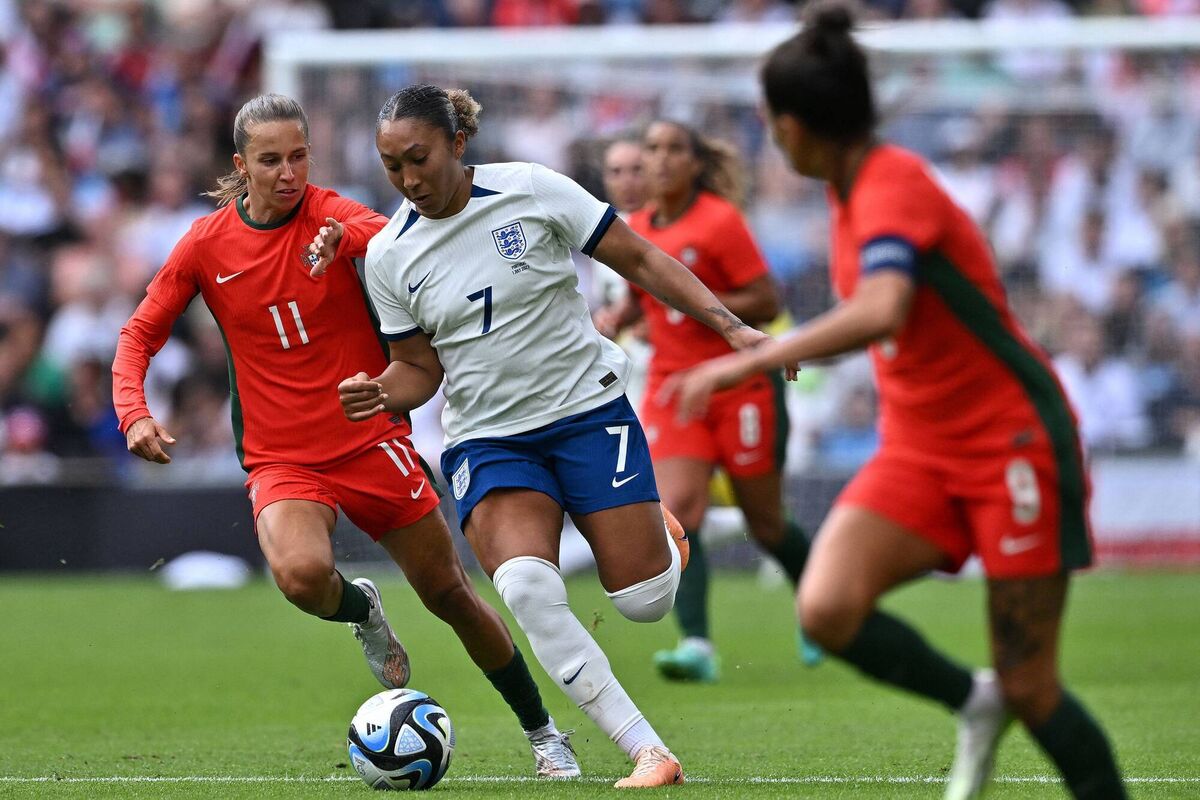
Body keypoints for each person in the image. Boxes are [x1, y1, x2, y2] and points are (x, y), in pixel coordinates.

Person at [664, 7, 1126, 799]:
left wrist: (752, 358)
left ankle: (1012, 707)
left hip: (1012, 441)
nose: (772, 137)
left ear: (801, 125)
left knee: (1035, 687)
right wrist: (764, 347)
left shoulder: (891, 183)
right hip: (921, 446)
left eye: (774, 121)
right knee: (828, 608)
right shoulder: (850, 193)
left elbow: (882, 309)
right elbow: (871, 328)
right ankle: (972, 701)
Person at [111, 94, 578, 779]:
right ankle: (362, 610)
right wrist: (134, 413)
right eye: (271, 160)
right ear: (242, 166)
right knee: (301, 578)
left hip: (369, 442)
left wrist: (350, 241)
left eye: (299, 156)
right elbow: (138, 334)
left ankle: (543, 733)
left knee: (450, 594)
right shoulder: (207, 244)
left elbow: (395, 230)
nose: (289, 173)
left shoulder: (332, 214)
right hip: (283, 459)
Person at [338, 84, 772, 788]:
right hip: (489, 438)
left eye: (418, 159)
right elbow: (418, 369)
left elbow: (640, 259)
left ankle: (666, 537)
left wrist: (731, 327)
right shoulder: (390, 254)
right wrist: (382, 391)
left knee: (644, 601)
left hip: (588, 415)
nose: (409, 180)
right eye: (392, 167)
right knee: (530, 590)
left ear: (456, 143)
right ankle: (648, 752)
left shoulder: (532, 190)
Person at [595, 120, 817, 682]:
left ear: (696, 164)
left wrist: (694, 302)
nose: (660, 159)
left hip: (740, 386)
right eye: (652, 149)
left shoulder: (720, 221)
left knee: (765, 523)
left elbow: (767, 300)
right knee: (679, 515)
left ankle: (818, 610)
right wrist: (619, 320)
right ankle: (697, 645)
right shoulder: (634, 230)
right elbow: (647, 299)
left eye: (674, 149)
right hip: (676, 391)